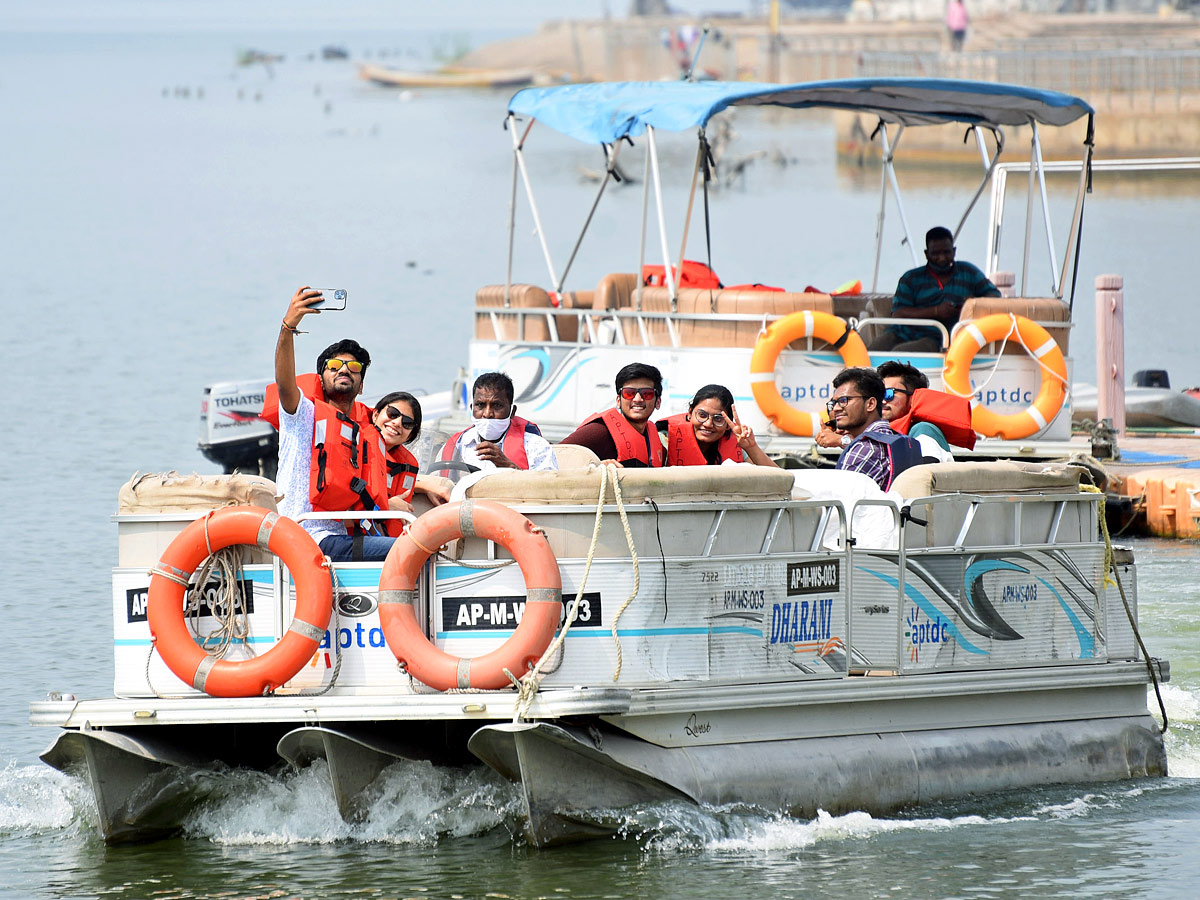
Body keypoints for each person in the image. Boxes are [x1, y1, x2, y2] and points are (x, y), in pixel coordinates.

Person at [269, 286, 393, 561]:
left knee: (416, 542)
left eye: (354, 367)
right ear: (321, 378)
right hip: (304, 536)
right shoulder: (302, 413)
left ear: (361, 387)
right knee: (410, 548)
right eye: (334, 366)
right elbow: (284, 382)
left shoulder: (358, 436)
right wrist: (288, 327)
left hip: (339, 537)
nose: (345, 370)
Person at [869, 226, 1001, 353]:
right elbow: (898, 313)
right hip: (901, 333)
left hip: (936, 338)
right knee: (873, 350)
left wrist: (972, 304)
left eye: (946, 252)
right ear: (926, 254)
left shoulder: (968, 272)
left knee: (899, 353)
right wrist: (936, 311)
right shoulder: (910, 278)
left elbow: (994, 295)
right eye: (936, 253)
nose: (942, 258)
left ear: (954, 251)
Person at [436, 372, 557, 480]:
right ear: (472, 408)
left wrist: (509, 467)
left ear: (512, 411)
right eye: (480, 405)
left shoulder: (536, 446)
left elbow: (549, 492)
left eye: (497, 405)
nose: (487, 414)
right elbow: (436, 484)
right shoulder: (456, 445)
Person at [827, 367, 923, 491]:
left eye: (844, 400)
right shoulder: (890, 438)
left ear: (871, 404)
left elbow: (839, 503)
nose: (836, 409)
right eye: (834, 403)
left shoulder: (865, 448)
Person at [371, 392, 451, 535]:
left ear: (411, 434)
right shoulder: (356, 450)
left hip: (381, 538)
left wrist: (425, 487)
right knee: (422, 553)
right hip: (349, 537)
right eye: (392, 413)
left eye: (407, 423)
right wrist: (385, 506)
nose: (397, 423)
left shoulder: (404, 464)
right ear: (375, 415)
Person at [559, 362, 666, 467]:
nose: (637, 399)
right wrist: (595, 466)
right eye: (629, 393)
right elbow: (554, 457)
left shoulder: (659, 448)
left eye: (647, 394)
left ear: (658, 402)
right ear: (618, 401)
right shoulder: (598, 431)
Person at [658, 384, 778, 468]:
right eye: (702, 415)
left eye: (718, 419)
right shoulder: (665, 439)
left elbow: (779, 481)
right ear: (690, 413)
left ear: (727, 425)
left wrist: (751, 447)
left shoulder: (737, 441)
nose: (708, 424)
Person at [876, 360, 976, 458]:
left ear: (913, 397)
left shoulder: (924, 430)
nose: (883, 401)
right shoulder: (880, 431)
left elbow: (926, 472)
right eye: (879, 394)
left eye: (889, 394)